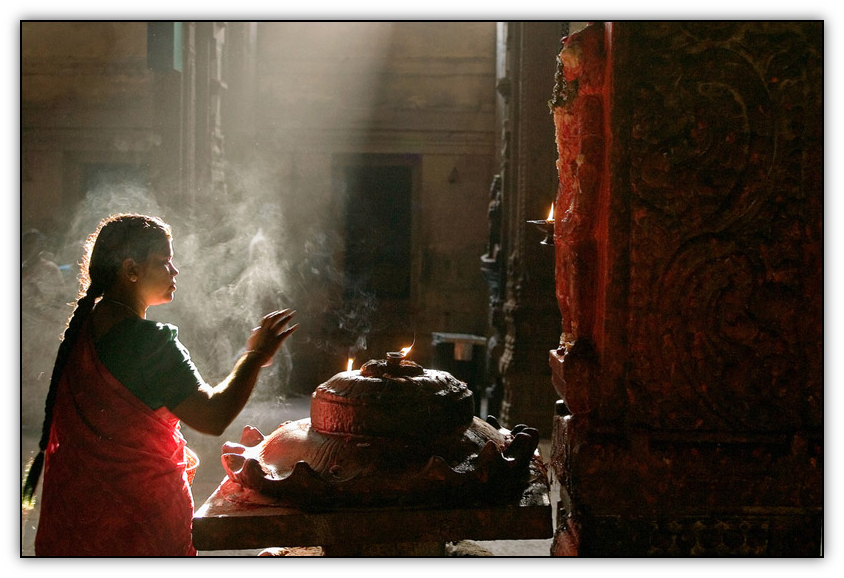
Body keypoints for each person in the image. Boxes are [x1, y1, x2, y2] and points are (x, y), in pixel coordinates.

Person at [22, 213, 298, 556]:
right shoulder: (148, 342)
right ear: (131, 270)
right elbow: (212, 416)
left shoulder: (82, 331)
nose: (174, 271)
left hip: (78, 524)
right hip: (137, 529)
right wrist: (256, 356)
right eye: (164, 262)